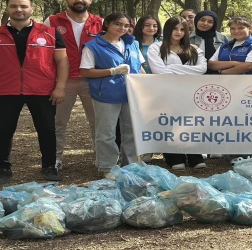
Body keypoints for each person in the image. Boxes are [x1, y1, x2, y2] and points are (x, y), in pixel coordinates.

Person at [0, 0, 69, 184]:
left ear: (31, 9)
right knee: (3, 130)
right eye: (13, 6)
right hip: (6, 90)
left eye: (23, 6)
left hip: (42, 90)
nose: (18, 10)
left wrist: (60, 87)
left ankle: (49, 166)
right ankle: (3, 168)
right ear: (7, 9)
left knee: (46, 129)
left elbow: (62, 61)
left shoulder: (50, 33)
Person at [44, 0, 103, 170]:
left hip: (93, 80)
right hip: (63, 81)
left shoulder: (100, 22)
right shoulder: (52, 21)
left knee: (98, 121)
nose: (79, 0)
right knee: (58, 121)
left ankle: (102, 158)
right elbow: (44, 51)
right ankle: (55, 158)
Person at [79, 13, 145, 179]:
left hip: (131, 94)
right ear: (107, 24)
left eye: (126, 25)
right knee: (106, 133)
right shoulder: (93, 46)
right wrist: (112, 71)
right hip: (106, 95)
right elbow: (85, 71)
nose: (122, 28)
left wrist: (146, 83)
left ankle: (131, 165)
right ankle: (107, 167)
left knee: (131, 131)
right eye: (118, 24)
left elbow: (140, 67)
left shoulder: (133, 43)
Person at [148, 17, 208, 170]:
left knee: (190, 124)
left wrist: (173, 70)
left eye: (182, 29)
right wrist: (186, 73)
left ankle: (195, 156)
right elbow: (160, 71)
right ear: (168, 29)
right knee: (168, 124)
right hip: (166, 93)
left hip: (189, 93)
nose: (179, 32)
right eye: (175, 29)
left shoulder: (194, 49)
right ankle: (174, 158)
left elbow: (201, 69)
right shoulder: (156, 48)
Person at [131, 15, 162, 162]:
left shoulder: (164, 44)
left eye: (154, 26)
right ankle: (143, 151)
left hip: (161, 86)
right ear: (141, 27)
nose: (151, 28)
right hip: (141, 86)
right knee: (141, 118)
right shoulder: (134, 44)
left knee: (158, 118)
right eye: (147, 25)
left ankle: (156, 147)